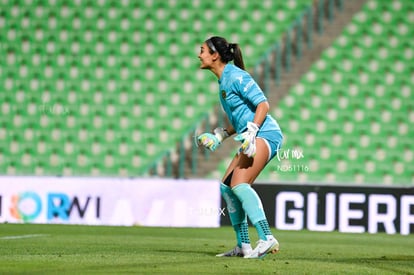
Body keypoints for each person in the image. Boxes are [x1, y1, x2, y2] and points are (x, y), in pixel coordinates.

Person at [197, 36, 283, 259]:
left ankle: (266, 238)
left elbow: (263, 104)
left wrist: (253, 132)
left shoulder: (236, 76)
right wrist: (219, 135)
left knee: (239, 184)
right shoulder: (223, 81)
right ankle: (243, 245)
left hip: (266, 133)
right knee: (227, 187)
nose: (199, 54)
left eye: (203, 50)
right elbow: (239, 119)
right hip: (252, 134)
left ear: (215, 55)